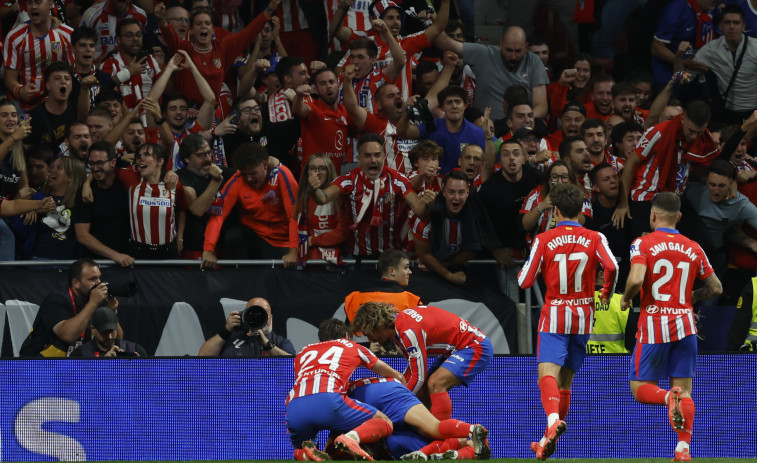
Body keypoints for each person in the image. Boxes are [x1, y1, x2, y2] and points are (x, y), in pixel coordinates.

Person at [517, 183, 618, 460]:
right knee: (565, 383)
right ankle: (547, 441)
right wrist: (606, 294)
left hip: (555, 314)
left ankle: (552, 424)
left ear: (556, 210)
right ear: (582, 210)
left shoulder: (544, 239)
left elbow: (524, 280)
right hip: (584, 317)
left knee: (547, 375)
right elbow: (612, 266)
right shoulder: (595, 237)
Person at [620, 192, 722, 462]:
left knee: (639, 387)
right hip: (686, 324)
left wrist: (627, 298)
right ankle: (683, 449)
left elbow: (636, 278)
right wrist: (693, 297)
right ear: (678, 217)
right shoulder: (694, 247)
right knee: (684, 390)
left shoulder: (642, 243)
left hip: (654, 324)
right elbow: (716, 288)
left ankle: (668, 399)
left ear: (653, 216)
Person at [285, 318, 405, 461]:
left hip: (293, 409)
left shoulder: (303, 352)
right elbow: (395, 375)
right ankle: (351, 438)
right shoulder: (352, 346)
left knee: (304, 445)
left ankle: (303, 453)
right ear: (347, 336)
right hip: (329, 400)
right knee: (385, 421)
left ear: (321, 338)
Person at [351, 302, 493, 421]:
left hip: (475, 346)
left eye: (369, 334)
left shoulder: (408, 332)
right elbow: (413, 374)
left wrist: (395, 403)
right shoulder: (398, 327)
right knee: (423, 391)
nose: (370, 340)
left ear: (378, 326)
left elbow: (418, 376)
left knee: (435, 384)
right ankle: (430, 436)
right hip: (457, 349)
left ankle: (444, 438)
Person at [309, 132, 435, 257]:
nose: (373, 160)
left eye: (377, 155)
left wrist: (429, 203)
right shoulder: (348, 180)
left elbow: (419, 209)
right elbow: (323, 198)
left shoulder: (398, 180)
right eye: (367, 155)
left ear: (383, 157)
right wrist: (315, 190)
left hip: (391, 256)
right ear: (359, 159)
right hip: (357, 257)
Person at [613, 100, 719, 237]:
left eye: (699, 132)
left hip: (675, 199)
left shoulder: (704, 138)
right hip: (646, 197)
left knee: (705, 244)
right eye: (691, 131)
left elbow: (704, 169)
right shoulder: (658, 133)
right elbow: (630, 163)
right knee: (648, 248)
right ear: (683, 118)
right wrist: (623, 203)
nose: (694, 137)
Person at [202, 142, 298, 268]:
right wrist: (208, 250)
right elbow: (218, 216)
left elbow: (295, 215)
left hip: (282, 242)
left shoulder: (282, 175)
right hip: (252, 237)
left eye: (253, 173)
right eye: (244, 174)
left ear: (264, 165)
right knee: (234, 236)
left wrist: (294, 251)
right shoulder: (237, 180)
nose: (248, 179)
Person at [346, 377, 490, 460]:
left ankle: (466, 438)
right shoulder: (352, 380)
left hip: (390, 437)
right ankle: (470, 432)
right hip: (391, 386)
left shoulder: (339, 395)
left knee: (437, 433)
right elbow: (398, 375)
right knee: (435, 429)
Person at [433, 25, 549, 120]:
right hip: (485, 129)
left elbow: (541, 106)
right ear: (501, 45)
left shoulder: (534, 61)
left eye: (518, 51)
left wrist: (523, 120)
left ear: (526, 47)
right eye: (509, 50)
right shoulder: (484, 54)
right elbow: (445, 43)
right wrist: (428, 21)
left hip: (520, 132)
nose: (513, 56)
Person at [479, 138, 543, 303]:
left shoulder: (537, 179)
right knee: (512, 303)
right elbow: (479, 224)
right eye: (506, 155)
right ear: (500, 161)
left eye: (516, 154)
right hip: (506, 253)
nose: (511, 158)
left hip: (535, 250)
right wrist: (495, 249)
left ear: (523, 158)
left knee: (539, 302)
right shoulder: (490, 189)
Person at [412, 170, 502, 285]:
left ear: (467, 193)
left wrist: (442, 266)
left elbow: (472, 249)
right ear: (443, 192)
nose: (456, 197)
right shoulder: (427, 218)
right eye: (451, 192)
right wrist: (449, 276)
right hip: (426, 273)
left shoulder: (475, 215)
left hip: (458, 269)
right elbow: (423, 254)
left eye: (461, 192)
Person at [19, 258, 119, 357]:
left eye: (99, 278)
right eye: (92, 279)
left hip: (76, 366)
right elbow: (68, 335)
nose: (99, 283)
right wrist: (93, 303)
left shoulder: (95, 302)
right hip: (38, 366)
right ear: (76, 283)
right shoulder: (55, 301)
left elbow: (116, 339)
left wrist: (111, 311)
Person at [686, 5, 757, 124]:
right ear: (720, 26)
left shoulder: (755, 47)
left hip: (754, 112)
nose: (732, 27)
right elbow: (684, 78)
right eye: (727, 23)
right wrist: (680, 59)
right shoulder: (711, 50)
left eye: (736, 23)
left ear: (743, 26)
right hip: (727, 113)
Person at [3, 0, 73, 110]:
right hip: (25, 107)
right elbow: (10, 78)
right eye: (30, 3)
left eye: (38, 2)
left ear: (50, 4)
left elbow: (75, 72)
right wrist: (19, 90)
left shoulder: (67, 35)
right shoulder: (14, 37)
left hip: (58, 105)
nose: (33, 6)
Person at [398, 85, 485, 174]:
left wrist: (490, 138)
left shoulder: (478, 133)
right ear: (443, 107)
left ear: (465, 106)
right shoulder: (431, 126)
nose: (454, 106)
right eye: (449, 103)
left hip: (462, 185)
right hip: (433, 183)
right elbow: (403, 133)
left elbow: (498, 146)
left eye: (458, 102)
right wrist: (407, 112)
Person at [14, 156, 86, 260]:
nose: (52, 171)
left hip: (68, 265)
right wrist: (31, 208)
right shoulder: (37, 199)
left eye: (58, 168)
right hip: (38, 262)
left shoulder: (80, 204)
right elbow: (19, 230)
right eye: (52, 167)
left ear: (71, 176)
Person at [74, 141, 133, 266]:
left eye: (100, 163)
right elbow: (82, 235)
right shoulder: (85, 192)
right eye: (92, 163)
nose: (95, 168)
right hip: (95, 263)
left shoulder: (125, 184)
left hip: (125, 260)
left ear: (113, 163)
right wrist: (114, 255)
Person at [175, 134, 234, 259]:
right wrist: (216, 181)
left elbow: (247, 173)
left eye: (209, 153)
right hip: (195, 249)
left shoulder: (225, 172)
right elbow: (197, 209)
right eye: (201, 155)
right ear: (186, 158)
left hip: (224, 246)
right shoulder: (181, 179)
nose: (208, 158)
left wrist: (271, 162)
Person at [294, 153, 349, 266]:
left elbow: (343, 232)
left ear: (329, 171)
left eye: (322, 168)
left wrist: (313, 241)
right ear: (307, 172)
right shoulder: (302, 197)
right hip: (310, 259)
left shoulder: (339, 196)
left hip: (338, 259)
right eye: (313, 168)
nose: (317, 172)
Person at [292, 68, 351, 173]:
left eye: (331, 82)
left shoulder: (345, 111)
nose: (328, 86)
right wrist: (299, 96)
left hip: (335, 178)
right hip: (313, 177)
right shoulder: (313, 108)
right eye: (323, 83)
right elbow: (298, 110)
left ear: (338, 85)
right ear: (316, 90)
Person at [198, 297, 295, 357]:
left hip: (267, 387)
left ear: (271, 317)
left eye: (263, 314)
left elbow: (293, 364)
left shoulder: (280, 342)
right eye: (253, 313)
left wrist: (266, 343)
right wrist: (226, 331)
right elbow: (202, 356)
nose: (258, 317)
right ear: (244, 314)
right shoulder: (230, 338)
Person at [100, 18, 163, 111]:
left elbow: (168, 91)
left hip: (150, 118)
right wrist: (128, 73)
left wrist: (163, 66)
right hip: (122, 120)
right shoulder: (110, 63)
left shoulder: (150, 60)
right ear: (119, 39)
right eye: (129, 35)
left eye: (138, 34)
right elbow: (101, 89)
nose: (135, 39)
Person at [343, 249, 421, 322]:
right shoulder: (411, 301)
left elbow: (346, 332)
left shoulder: (352, 298)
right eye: (406, 267)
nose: (410, 272)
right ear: (392, 271)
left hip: (358, 336)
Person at [28, 62, 78, 154]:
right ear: (48, 85)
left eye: (67, 79)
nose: (63, 81)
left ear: (71, 86)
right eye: (57, 78)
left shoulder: (76, 112)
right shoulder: (33, 117)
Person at [80, 0, 147, 63]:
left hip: (132, 69)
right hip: (99, 70)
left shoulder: (141, 16)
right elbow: (80, 45)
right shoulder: (91, 14)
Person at [70, 306, 148, 357]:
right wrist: (103, 365)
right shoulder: (81, 354)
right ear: (93, 329)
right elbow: (74, 381)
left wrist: (139, 369)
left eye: (112, 331)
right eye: (104, 332)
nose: (110, 336)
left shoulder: (135, 349)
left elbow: (149, 379)